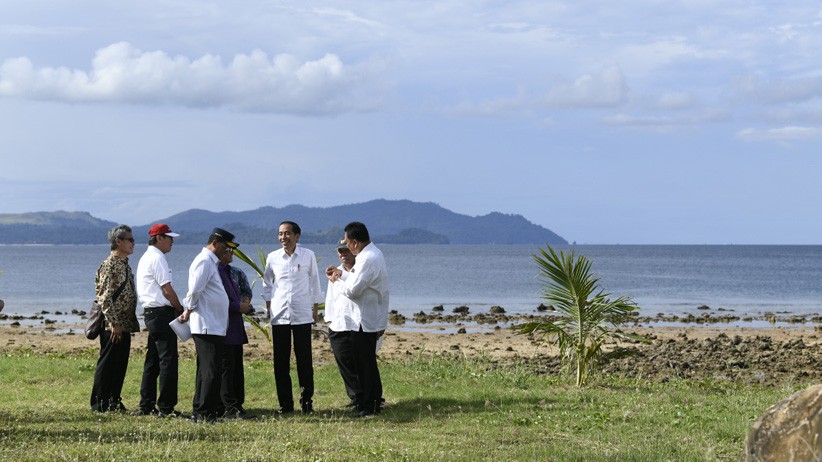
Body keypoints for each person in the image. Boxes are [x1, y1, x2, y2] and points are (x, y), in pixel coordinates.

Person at [326, 222, 390, 417]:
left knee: (365, 364)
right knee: (364, 362)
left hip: (364, 319)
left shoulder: (368, 258)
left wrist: (336, 281)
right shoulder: (370, 255)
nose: (347, 247)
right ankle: (366, 401)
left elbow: (353, 291)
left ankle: (370, 405)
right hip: (363, 317)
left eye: (347, 242)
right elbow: (356, 282)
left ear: (353, 243)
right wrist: (342, 275)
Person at [262, 221, 322, 414]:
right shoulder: (273, 257)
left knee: (304, 361)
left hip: (302, 314)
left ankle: (306, 402)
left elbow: (315, 283)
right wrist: (269, 306)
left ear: (297, 235)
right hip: (279, 316)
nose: (283, 238)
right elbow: (267, 284)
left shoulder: (308, 255)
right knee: (281, 362)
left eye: (287, 234)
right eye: (280, 234)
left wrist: (315, 308)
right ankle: (285, 405)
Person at [179, 228, 236, 422]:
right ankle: (205, 413)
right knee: (211, 370)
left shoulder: (211, 262)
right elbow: (195, 289)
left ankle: (201, 410)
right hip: (206, 324)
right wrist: (188, 308)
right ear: (216, 243)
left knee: (207, 369)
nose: (227, 253)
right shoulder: (204, 261)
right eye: (225, 248)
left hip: (214, 324)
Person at [135, 224, 185, 418]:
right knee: (168, 361)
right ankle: (166, 407)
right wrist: (179, 309)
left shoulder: (146, 257)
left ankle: (146, 404)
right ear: (159, 238)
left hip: (150, 313)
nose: (172, 241)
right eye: (169, 238)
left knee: (153, 360)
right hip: (161, 313)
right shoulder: (157, 258)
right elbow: (167, 289)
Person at [90, 224, 140, 413]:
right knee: (108, 363)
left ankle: (113, 400)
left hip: (124, 323)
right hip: (113, 325)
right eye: (130, 240)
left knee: (120, 364)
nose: (133, 243)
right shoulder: (109, 265)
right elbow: (104, 296)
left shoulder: (124, 264)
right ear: (118, 241)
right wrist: (113, 323)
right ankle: (99, 403)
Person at [217, 245, 254, 419]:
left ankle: (237, 403)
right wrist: (239, 306)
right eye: (228, 251)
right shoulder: (215, 272)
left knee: (236, 366)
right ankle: (227, 405)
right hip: (223, 324)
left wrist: (245, 304)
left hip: (236, 323)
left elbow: (246, 291)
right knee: (226, 366)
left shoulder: (236, 272)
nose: (231, 254)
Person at [324, 240, 360, 407]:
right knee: (344, 363)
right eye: (340, 252)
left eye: (346, 251)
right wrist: (329, 319)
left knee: (360, 362)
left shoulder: (359, 270)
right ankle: (354, 397)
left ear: (354, 250)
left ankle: (368, 397)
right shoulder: (333, 273)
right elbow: (331, 298)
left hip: (357, 323)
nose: (343, 255)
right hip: (338, 323)